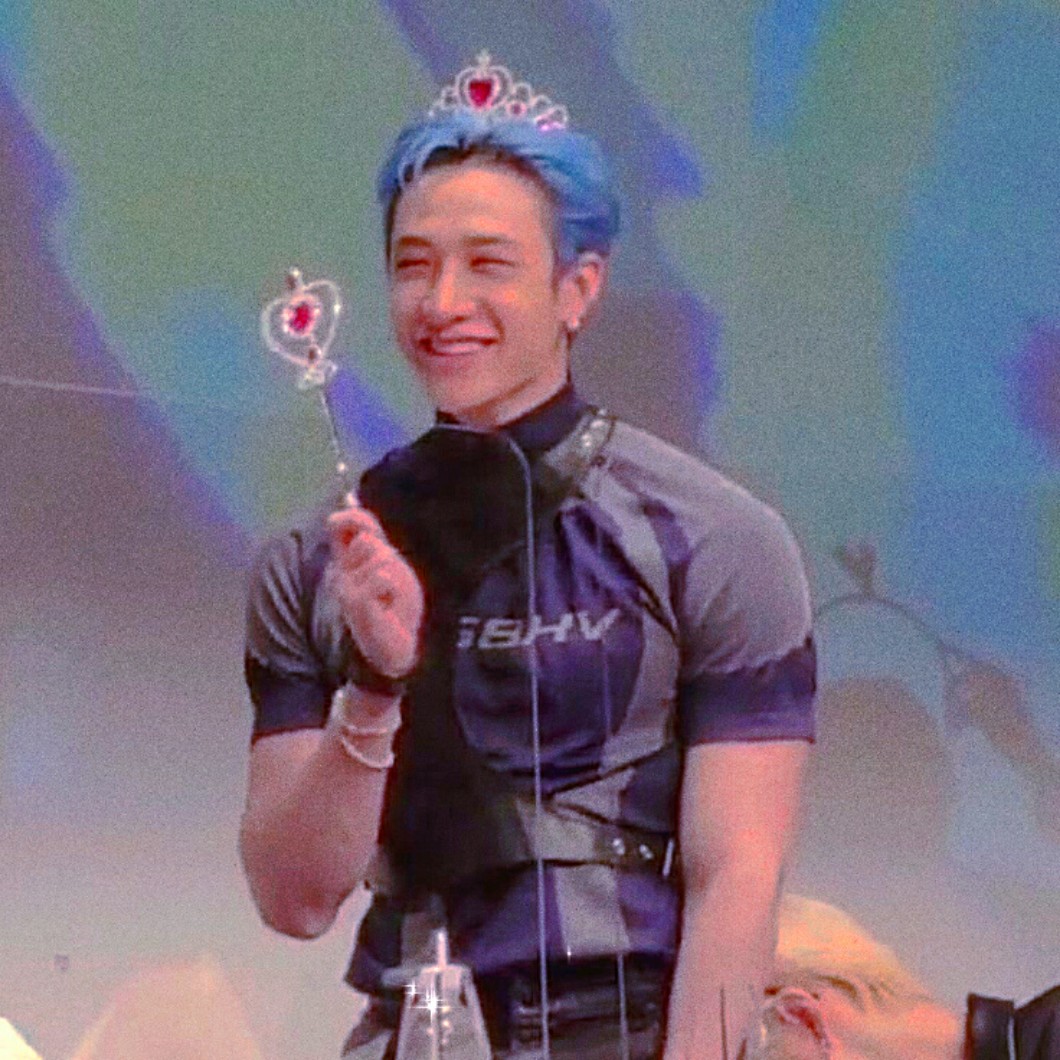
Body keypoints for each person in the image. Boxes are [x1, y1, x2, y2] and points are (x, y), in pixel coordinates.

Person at [239, 53, 816, 1060]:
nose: (443, 300)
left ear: (578, 288)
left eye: (488, 264)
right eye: (413, 265)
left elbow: (738, 878)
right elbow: (293, 899)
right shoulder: (317, 560)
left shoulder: (715, 538)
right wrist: (374, 686)